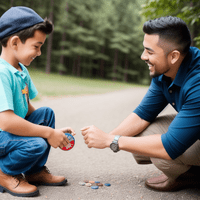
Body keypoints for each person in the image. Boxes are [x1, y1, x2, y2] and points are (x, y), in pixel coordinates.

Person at [81, 16, 200, 192]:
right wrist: (105, 137)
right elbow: (143, 114)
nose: (143, 56)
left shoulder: (197, 83)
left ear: (174, 56)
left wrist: (110, 140)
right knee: (141, 137)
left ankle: (191, 176)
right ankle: (187, 172)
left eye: (150, 52)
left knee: (161, 154)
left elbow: (169, 147)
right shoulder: (165, 71)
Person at [0, 6, 75, 197]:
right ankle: (3, 172)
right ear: (15, 42)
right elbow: (6, 121)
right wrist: (47, 133)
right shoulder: (1, 73)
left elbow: (26, 109)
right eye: (36, 46)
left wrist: (53, 130)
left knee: (46, 114)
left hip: (9, 134)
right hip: (3, 133)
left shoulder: (20, 70)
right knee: (37, 144)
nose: (39, 52)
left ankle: (34, 172)